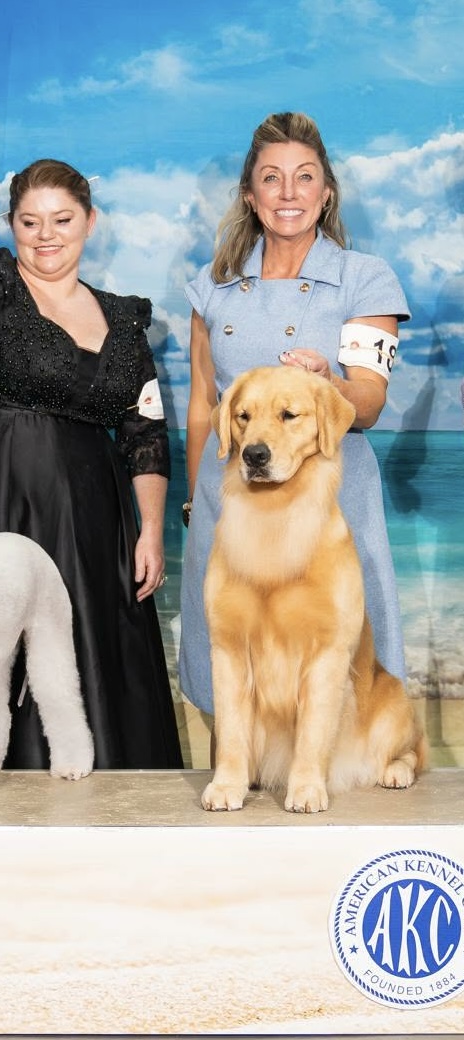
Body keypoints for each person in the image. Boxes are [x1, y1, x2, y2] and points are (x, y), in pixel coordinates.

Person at [0, 158, 184, 770]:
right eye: (30, 221)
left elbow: (144, 433)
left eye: (62, 220)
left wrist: (150, 529)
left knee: (87, 651)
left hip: (88, 519)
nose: (47, 235)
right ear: (11, 224)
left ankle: (96, 795)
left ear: (90, 222)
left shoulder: (124, 321)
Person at [179, 112, 408, 718]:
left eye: (304, 177)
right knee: (231, 689)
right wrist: (196, 502)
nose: (288, 193)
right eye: (271, 178)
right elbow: (204, 405)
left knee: (343, 693)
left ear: (326, 191)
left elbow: (369, 402)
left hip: (330, 509)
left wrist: (329, 385)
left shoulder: (364, 279)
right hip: (231, 508)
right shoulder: (212, 286)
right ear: (249, 195)